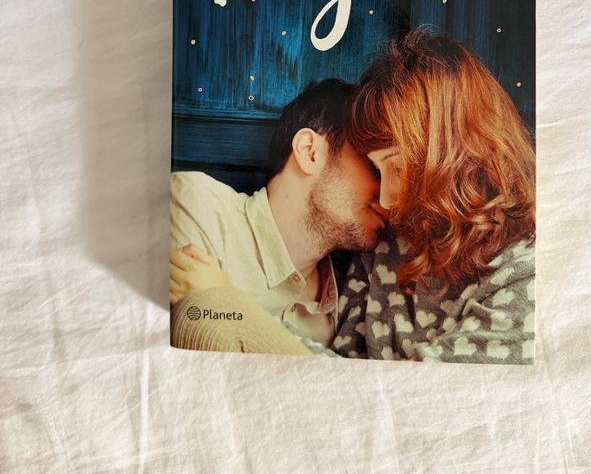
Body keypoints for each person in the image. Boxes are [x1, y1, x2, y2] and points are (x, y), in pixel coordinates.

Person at [332, 29, 536, 363]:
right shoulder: (385, 246)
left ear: (457, 155)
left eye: (398, 168)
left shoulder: (527, 271)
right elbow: (336, 371)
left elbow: (433, 389)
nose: (387, 200)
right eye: (377, 171)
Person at [170, 78, 384, 351]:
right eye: (375, 168)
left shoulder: (348, 303)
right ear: (310, 152)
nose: (391, 197)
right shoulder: (199, 207)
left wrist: (225, 304)